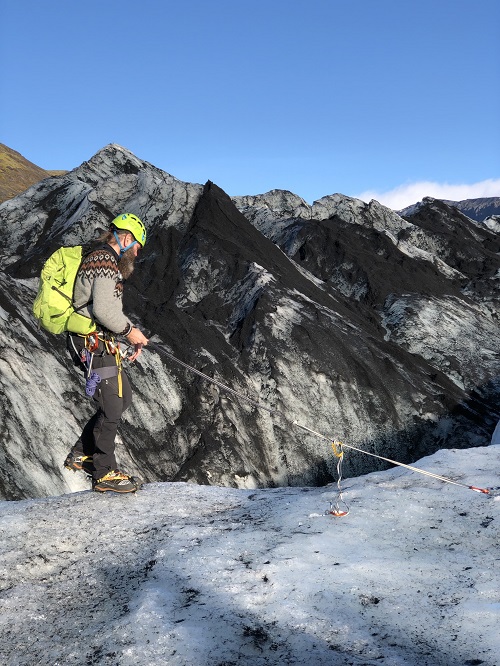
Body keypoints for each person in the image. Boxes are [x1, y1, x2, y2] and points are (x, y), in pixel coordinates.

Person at [64, 213, 149, 493]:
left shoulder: (105, 260)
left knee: (123, 399)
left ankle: (82, 454)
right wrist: (129, 333)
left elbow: (107, 311)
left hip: (100, 341)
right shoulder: (104, 261)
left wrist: (127, 336)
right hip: (90, 344)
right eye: (137, 245)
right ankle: (103, 473)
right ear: (126, 238)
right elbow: (102, 310)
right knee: (112, 405)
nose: (137, 252)